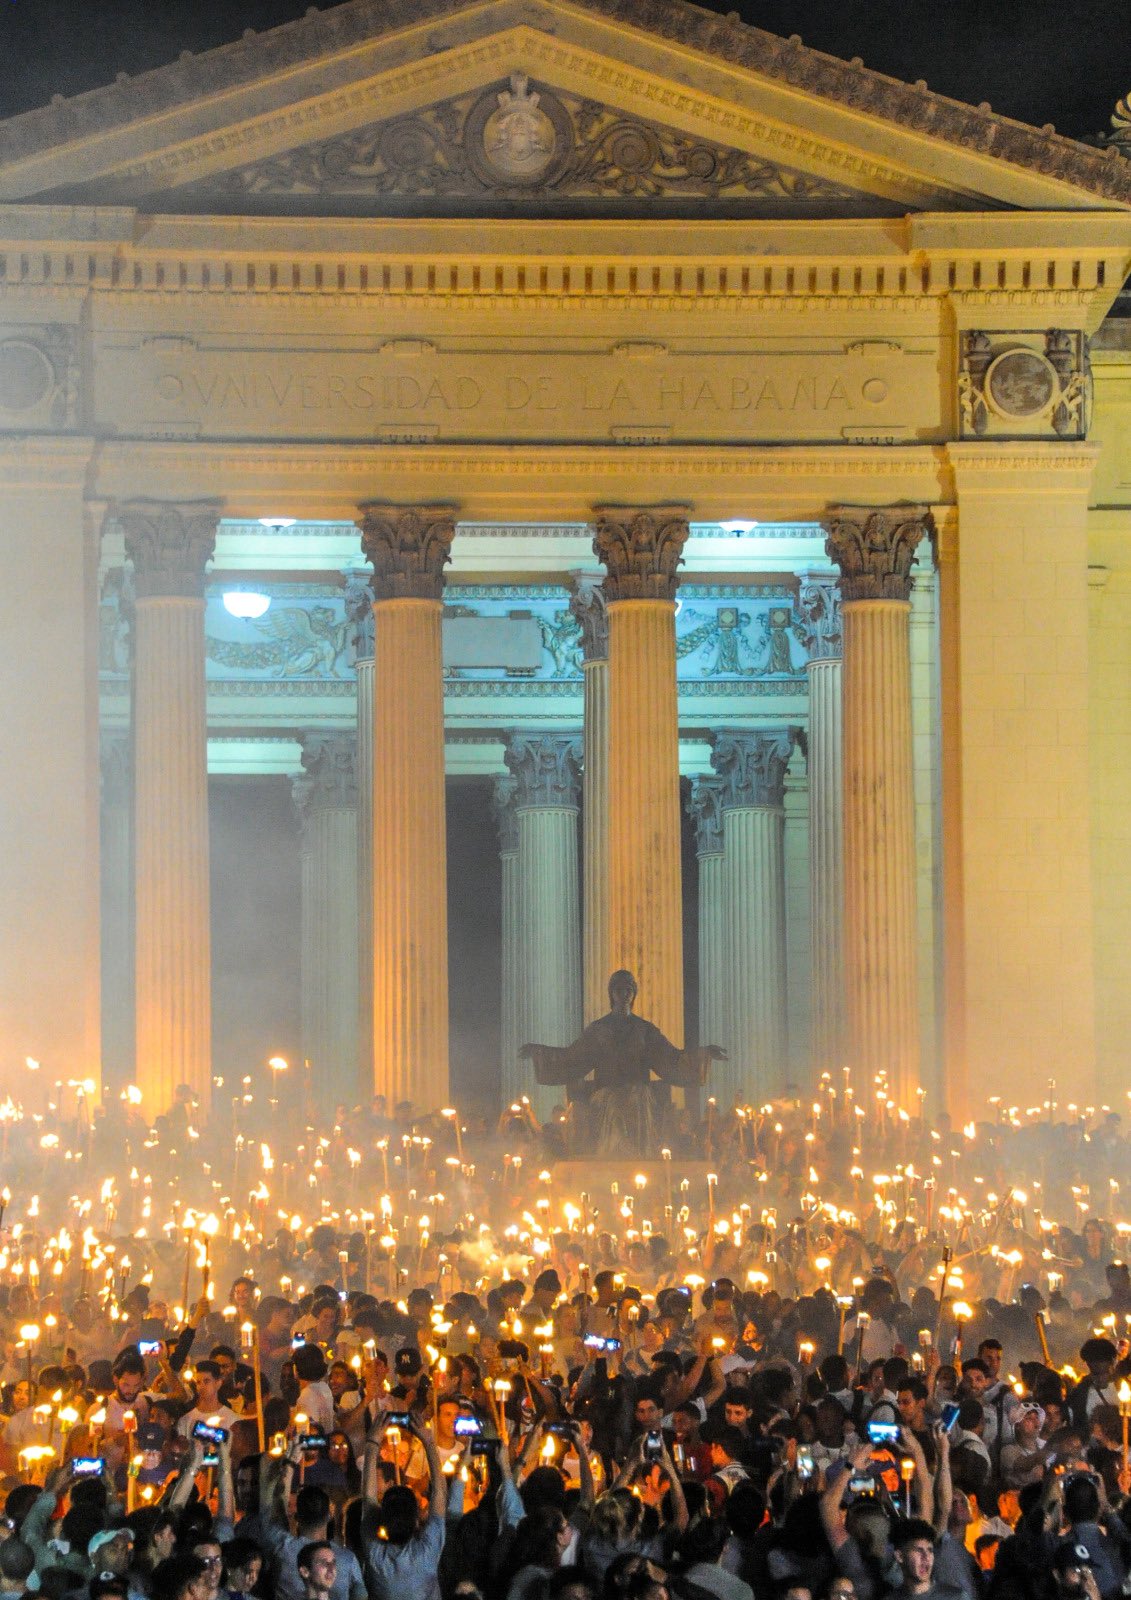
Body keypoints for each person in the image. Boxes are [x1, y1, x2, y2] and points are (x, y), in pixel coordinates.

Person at [362, 1413, 446, 1600]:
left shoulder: (376, 1556)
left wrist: (372, 1444)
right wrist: (429, 1442)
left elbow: (368, 1500)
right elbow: (439, 1494)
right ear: (416, 1519)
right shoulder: (427, 1551)